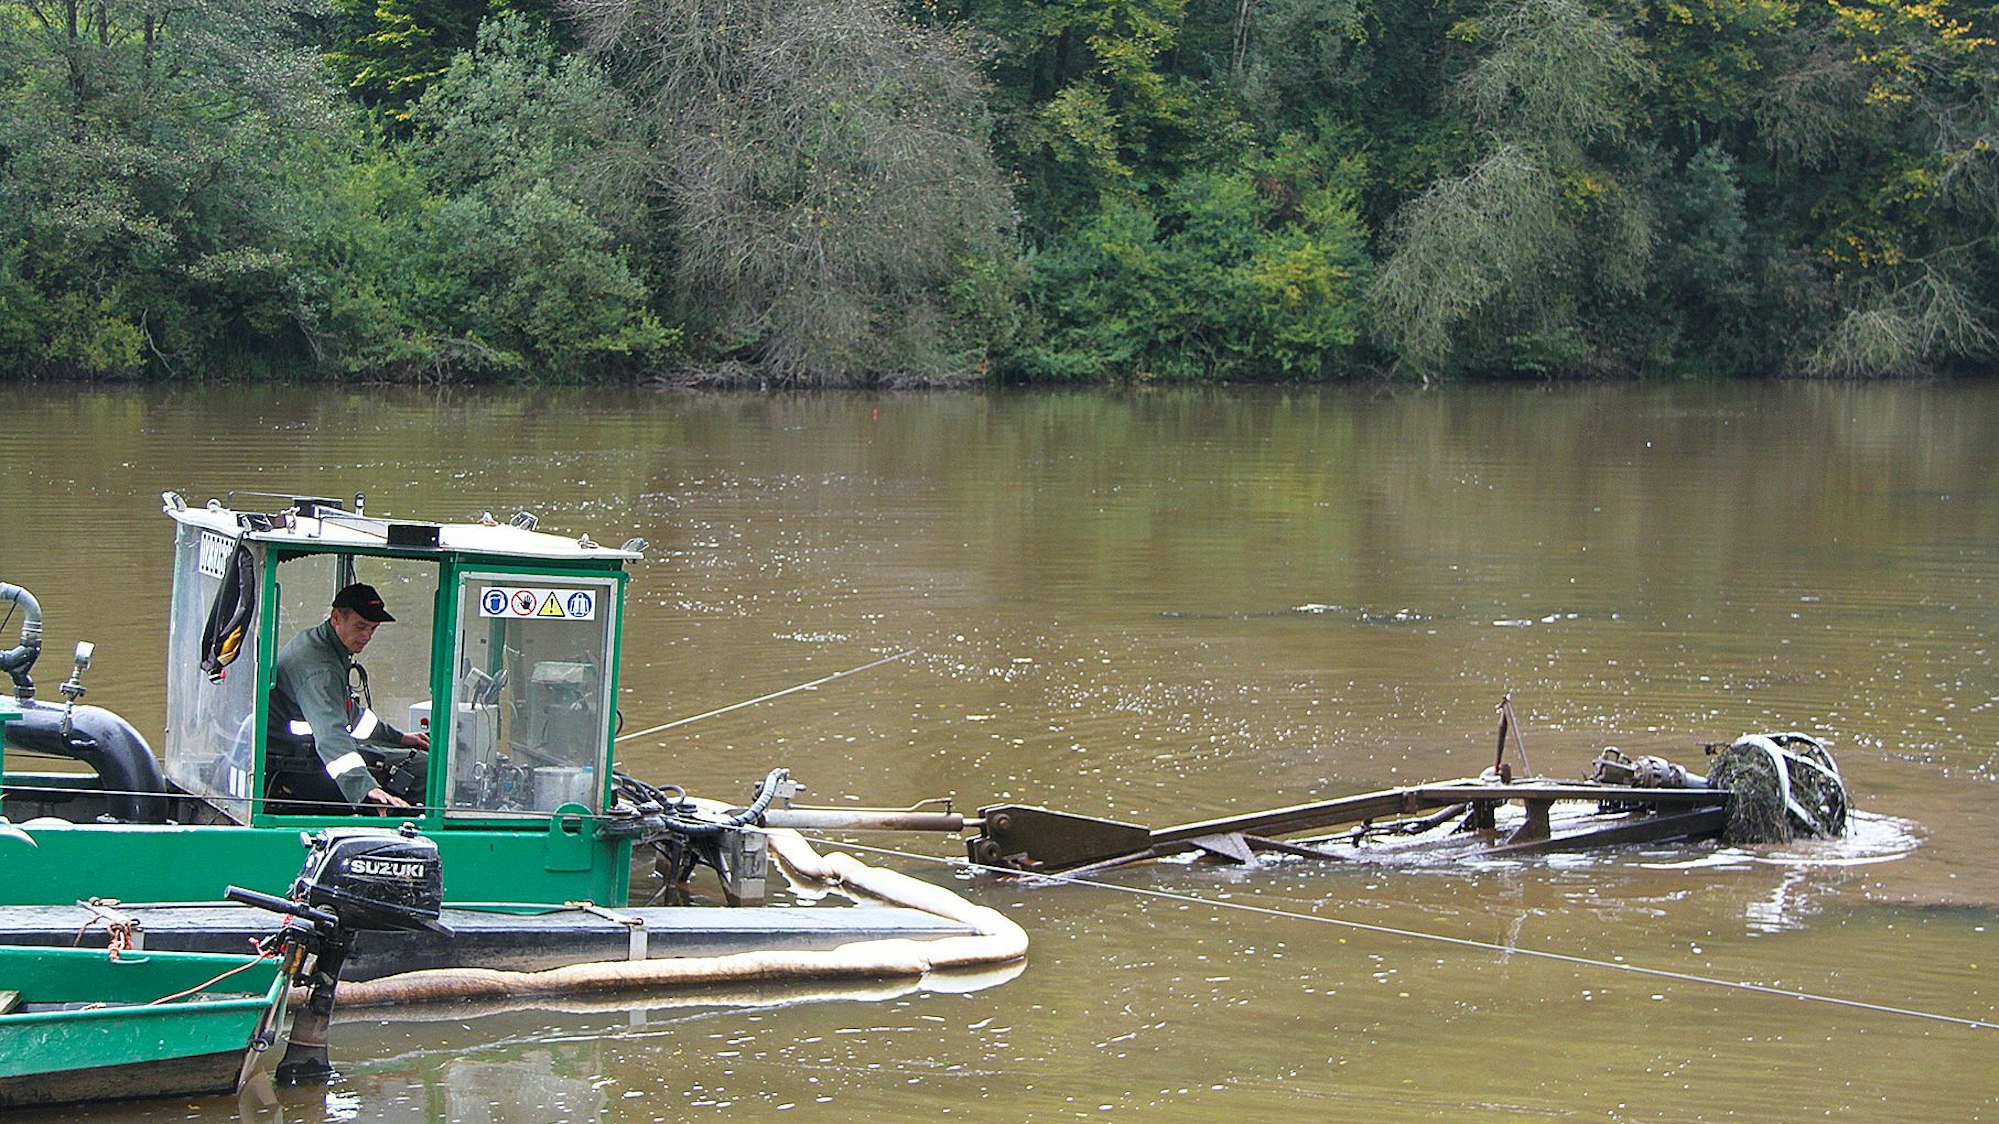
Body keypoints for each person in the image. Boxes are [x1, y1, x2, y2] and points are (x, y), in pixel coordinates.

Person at [266, 582, 431, 813]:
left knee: (412, 756)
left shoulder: (320, 643)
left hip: (306, 753)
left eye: (373, 629)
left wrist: (400, 738)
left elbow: (349, 714)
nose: (367, 636)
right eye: (361, 626)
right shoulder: (321, 670)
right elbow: (330, 734)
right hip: (300, 767)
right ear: (336, 618)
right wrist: (366, 788)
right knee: (428, 770)